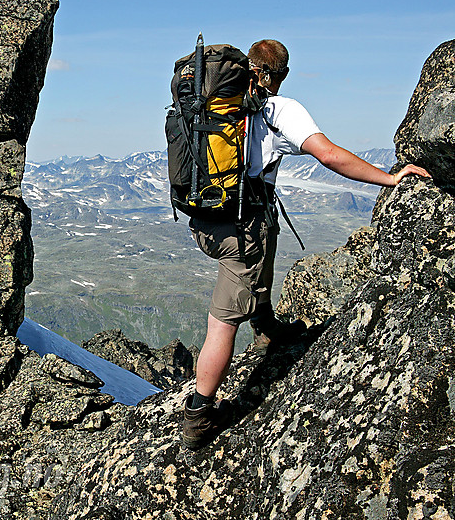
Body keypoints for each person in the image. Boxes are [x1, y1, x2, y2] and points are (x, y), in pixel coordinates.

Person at [181, 39, 431, 450]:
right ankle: (199, 415)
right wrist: (390, 178)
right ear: (280, 74)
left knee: (266, 240)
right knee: (221, 322)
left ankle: (265, 326)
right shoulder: (280, 109)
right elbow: (329, 156)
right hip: (240, 227)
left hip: (205, 218)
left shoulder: (213, 104)